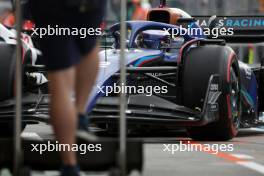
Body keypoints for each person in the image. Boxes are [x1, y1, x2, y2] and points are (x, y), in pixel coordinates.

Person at [28, 0, 105, 175]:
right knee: (90, 45)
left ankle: (70, 165)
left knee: (60, 80)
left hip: (50, 8)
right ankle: (79, 114)